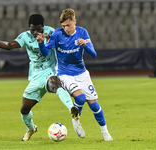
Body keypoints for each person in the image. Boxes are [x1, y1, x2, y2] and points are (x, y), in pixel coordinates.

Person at [0, 14, 79, 141]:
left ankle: (71, 108)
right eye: (32, 29)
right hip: (35, 77)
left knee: (54, 83)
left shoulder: (50, 31)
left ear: (43, 27)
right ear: (29, 27)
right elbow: (10, 45)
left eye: (38, 29)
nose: (35, 32)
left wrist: (48, 37)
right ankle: (31, 128)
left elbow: (63, 39)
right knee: (24, 109)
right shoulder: (25, 36)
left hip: (49, 71)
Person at [36, 8, 113, 141]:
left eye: (68, 25)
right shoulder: (56, 34)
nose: (66, 28)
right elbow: (44, 53)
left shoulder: (82, 32)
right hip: (64, 74)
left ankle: (105, 132)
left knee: (94, 105)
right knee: (81, 98)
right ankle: (76, 122)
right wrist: (41, 43)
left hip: (82, 73)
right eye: (63, 26)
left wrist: (85, 45)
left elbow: (93, 54)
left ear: (74, 21)